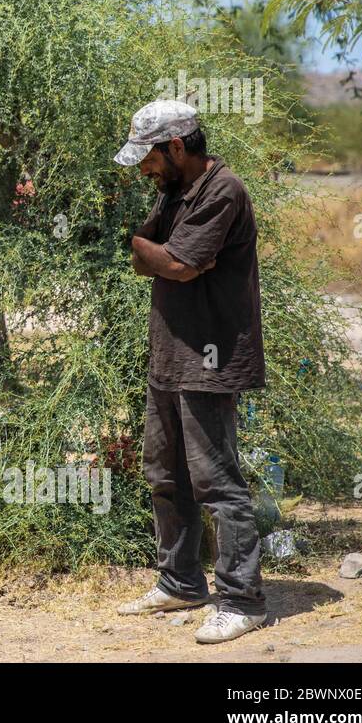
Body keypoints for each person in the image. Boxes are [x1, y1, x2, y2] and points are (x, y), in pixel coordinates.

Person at [112, 100, 268, 644]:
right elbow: (159, 260)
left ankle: (242, 599)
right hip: (170, 354)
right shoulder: (174, 191)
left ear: (177, 147)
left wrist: (150, 249)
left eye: (148, 158)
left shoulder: (223, 190)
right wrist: (152, 252)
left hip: (210, 357)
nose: (143, 170)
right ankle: (181, 580)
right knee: (165, 472)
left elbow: (176, 264)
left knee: (218, 481)